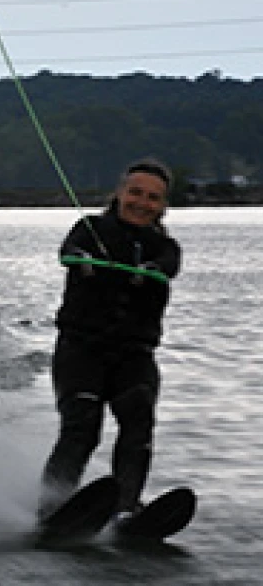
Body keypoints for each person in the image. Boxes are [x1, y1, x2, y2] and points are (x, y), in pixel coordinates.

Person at [38, 158, 182, 526]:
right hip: (81, 351)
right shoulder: (88, 229)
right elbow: (68, 250)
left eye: (153, 198)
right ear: (118, 194)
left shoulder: (167, 248)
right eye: (135, 193)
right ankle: (51, 507)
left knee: (138, 422)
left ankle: (126, 508)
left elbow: (167, 266)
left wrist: (152, 272)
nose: (142, 202)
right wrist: (82, 259)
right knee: (82, 428)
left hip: (133, 354)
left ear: (162, 206)